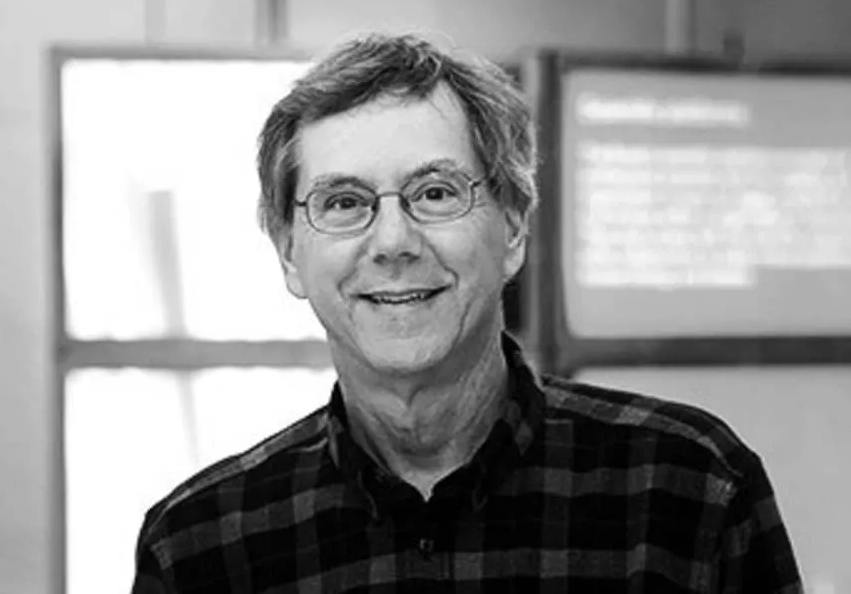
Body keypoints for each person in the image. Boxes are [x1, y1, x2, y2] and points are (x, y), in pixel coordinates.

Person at [131, 33, 802, 593]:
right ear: (287, 252)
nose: (392, 242)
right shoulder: (201, 548)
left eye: (434, 192)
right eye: (344, 202)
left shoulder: (690, 491)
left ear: (513, 227)